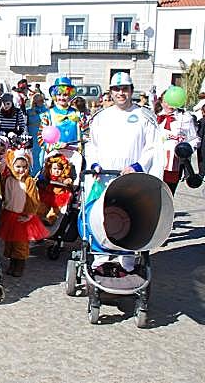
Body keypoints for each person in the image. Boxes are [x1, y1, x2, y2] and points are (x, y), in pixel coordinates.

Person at [85, 71, 163, 273]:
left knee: (127, 218)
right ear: (111, 92)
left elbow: (152, 147)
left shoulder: (144, 116)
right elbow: (92, 145)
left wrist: (137, 167)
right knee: (102, 217)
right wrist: (94, 164)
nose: (121, 93)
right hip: (105, 177)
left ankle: (126, 262)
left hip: (131, 179)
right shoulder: (101, 117)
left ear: (131, 91)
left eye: (125, 89)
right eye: (116, 89)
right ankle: (100, 260)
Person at [0, 149, 48, 277]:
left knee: (20, 243)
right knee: (10, 242)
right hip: (9, 214)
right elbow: (3, 193)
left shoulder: (29, 181)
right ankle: (12, 263)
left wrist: (29, 214)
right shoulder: (8, 180)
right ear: (12, 166)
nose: (21, 170)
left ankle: (19, 265)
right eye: (18, 167)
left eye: (24, 167)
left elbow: (33, 198)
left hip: (22, 216)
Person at [156, 89, 200, 194]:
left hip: (174, 164)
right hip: (156, 163)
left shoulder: (185, 118)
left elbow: (195, 139)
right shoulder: (154, 117)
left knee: (168, 194)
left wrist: (186, 148)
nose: (169, 105)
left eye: (173, 101)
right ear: (161, 102)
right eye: (167, 101)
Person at [37, 77, 87, 154]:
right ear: (55, 96)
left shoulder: (79, 114)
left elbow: (87, 134)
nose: (62, 98)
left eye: (65, 95)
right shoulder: (48, 115)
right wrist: (54, 146)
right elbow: (40, 138)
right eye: (59, 94)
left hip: (75, 156)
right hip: (55, 156)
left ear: (70, 96)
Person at [37, 153, 74, 225]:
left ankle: (50, 219)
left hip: (59, 196)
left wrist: (67, 181)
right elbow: (41, 181)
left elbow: (69, 181)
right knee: (42, 206)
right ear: (50, 168)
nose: (57, 171)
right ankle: (38, 216)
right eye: (54, 169)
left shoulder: (63, 178)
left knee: (55, 208)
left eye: (59, 169)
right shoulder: (47, 176)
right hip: (46, 194)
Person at [27, 92, 49, 176]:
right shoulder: (29, 111)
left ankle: (39, 173)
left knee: (41, 154)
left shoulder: (46, 111)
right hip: (32, 134)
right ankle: (32, 173)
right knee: (33, 154)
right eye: (37, 101)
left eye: (41, 100)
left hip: (42, 135)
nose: (39, 102)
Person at [194, 98, 205, 176]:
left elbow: (200, 133)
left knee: (202, 159)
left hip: (203, 144)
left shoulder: (202, 121)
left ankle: (202, 174)